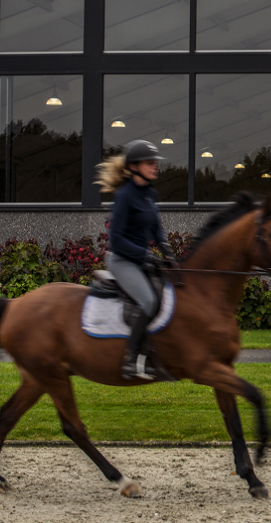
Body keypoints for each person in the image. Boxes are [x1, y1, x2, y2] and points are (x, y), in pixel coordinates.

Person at [95, 140, 176, 380]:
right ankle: (130, 359)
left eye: (155, 163)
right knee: (149, 302)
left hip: (141, 260)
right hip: (122, 261)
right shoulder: (124, 196)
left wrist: (167, 252)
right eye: (150, 163)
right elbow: (116, 240)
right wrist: (146, 256)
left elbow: (156, 229)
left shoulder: (151, 194)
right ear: (134, 167)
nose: (155, 167)